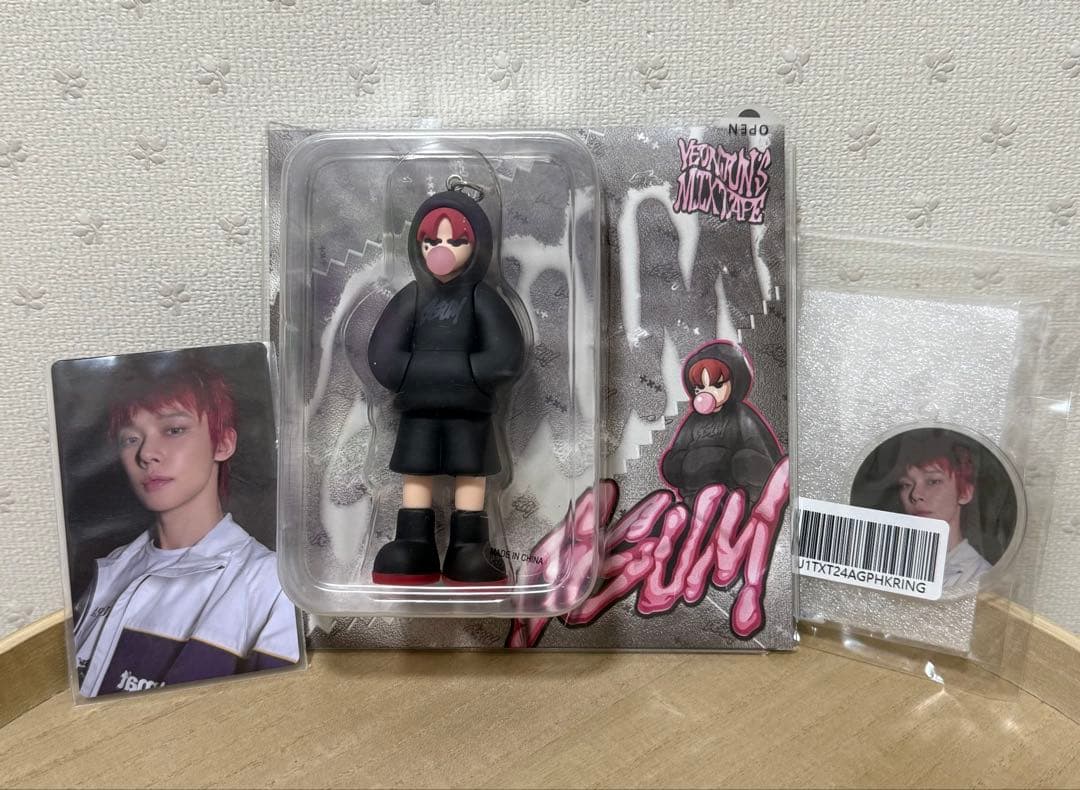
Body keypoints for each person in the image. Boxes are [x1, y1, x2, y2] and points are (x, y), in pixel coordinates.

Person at [72, 355, 300, 697]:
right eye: (130, 438)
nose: (147, 454)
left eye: (173, 430)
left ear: (223, 443)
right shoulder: (109, 570)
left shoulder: (272, 585)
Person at [366, 180, 526, 586]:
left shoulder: (482, 298)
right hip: (418, 412)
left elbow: (506, 356)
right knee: (416, 470)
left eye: (456, 240)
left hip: (469, 413)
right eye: (432, 241)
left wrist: (458, 372)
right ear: (417, 245)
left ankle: (469, 547)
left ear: (476, 245)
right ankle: (413, 543)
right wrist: (428, 371)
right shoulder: (411, 297)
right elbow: (382, 355)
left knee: (470, 471)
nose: (442, 250)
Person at [660, 341, 784, 506]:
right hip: (694, 496)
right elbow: (676, 454)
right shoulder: (694, 420)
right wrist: (685, 465)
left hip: (733, 498)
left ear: (734, 382)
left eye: (717, 385)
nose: (707, 393)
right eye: (699, 388)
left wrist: (732, 463)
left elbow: (764, 456)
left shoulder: (741, 414)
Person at [893, 435, 991, 589]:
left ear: (965, 492)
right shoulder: (888, 560)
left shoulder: (982, 578)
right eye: (906, 484)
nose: (915, 495)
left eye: (933, 482)